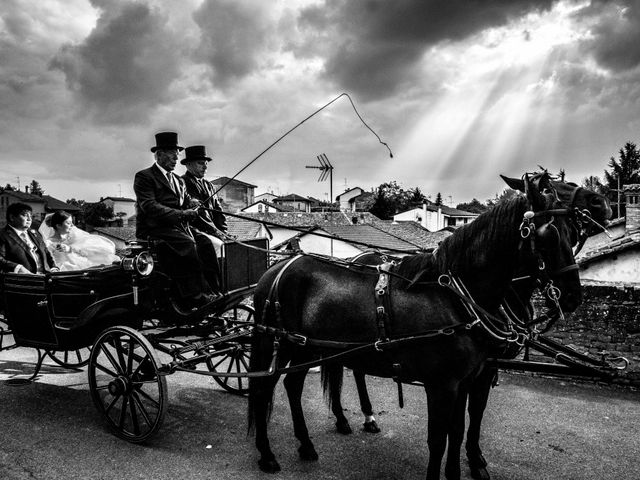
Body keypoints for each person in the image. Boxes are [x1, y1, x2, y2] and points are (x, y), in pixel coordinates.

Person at [133, 131, 216, 308]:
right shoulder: (144, 177)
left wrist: (191, 202)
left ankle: (212, 289)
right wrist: (181, 214)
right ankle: (194, 296)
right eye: (172, 155)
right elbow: (149, 206)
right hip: (155, 229)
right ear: (159, 154)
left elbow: (185, 200)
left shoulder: (178, 180)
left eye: (177, 155)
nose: (176, 159)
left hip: (177, 227)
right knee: (187, 244)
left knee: (206, 243)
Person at [180, 145, 227, 292]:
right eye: (201, 163)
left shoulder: (209, 185)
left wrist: (223, 231)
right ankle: (213, 288)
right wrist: (215, 232)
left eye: (206, 163)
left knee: (229, 245)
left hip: (212, 230)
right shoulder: (183, 183)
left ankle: (227, 283)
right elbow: (199, 214)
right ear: (188, 164)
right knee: (218, 246)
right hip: (195, 230)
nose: (205, 167)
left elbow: (218, 212)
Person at [38, 211, 120, 271]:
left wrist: (70, 249)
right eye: (68, 223)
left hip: (79, 263)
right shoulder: (48, 243)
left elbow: (88, 247)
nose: (71, 226)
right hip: (63, 269)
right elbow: (48, 261)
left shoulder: (72, 238)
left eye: (72, 223)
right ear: (58, 225)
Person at [0, 203, 59, 274]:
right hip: (20, 281)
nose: (29, 219)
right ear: (12, 217)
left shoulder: (35, 233)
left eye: (30, 216)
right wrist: (17, 268)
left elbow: (46, 251)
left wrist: (54, 267)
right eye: (25, 215)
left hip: (44, 277)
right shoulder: (3, 235)